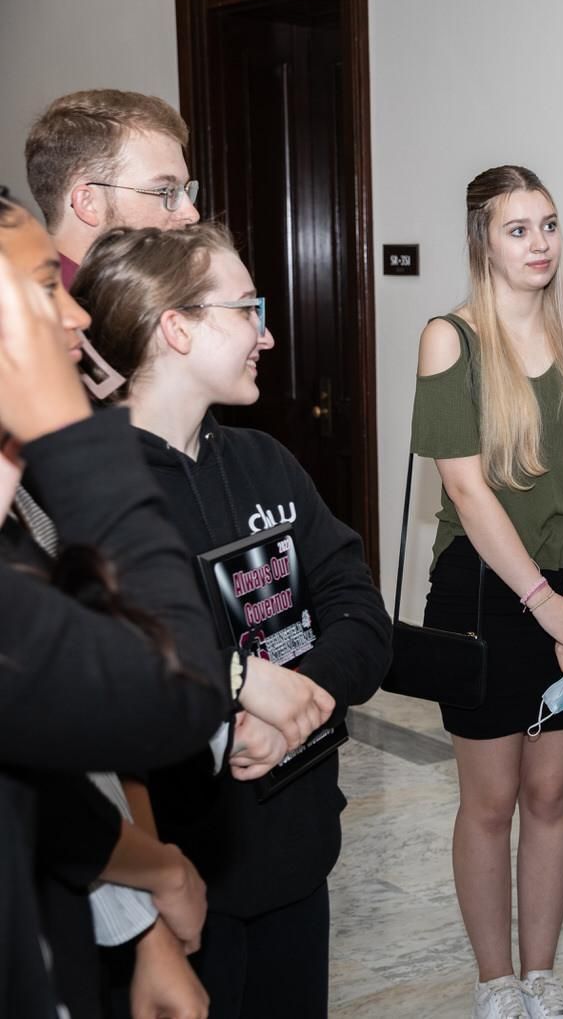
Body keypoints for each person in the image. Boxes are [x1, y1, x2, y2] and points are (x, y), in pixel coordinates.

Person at [0, 207, 328, 1017]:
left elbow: (42, 777)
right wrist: (74, 437)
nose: (76, 314)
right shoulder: (64, 491)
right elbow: (167, 695)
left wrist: (149, 879)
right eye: (48, 286)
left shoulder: (258, 459)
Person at [76, 221, 388, 1018]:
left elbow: (358, 612)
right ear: (175, 327)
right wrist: (239, 704)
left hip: (297, 857)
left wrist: (299, 702)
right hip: (176, 887)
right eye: (247, 308)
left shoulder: (266, 462)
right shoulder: (89, 494)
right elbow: (106, 678)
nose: (268, 332)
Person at [411, 165, 563, 1019]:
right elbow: (466, 491)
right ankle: (496, 983)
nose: (539, 244)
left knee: (551, 795)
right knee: (491, 801)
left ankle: (543, 975)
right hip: (489, 595)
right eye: (517, 228)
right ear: (482, 241)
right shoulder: (449, 339)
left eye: (548, 225)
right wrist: (545, 604)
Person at [25, 89, 199, 286]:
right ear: (88, 203)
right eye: (165, 191)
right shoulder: (41, 313)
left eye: (184, 190)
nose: (192, 214)